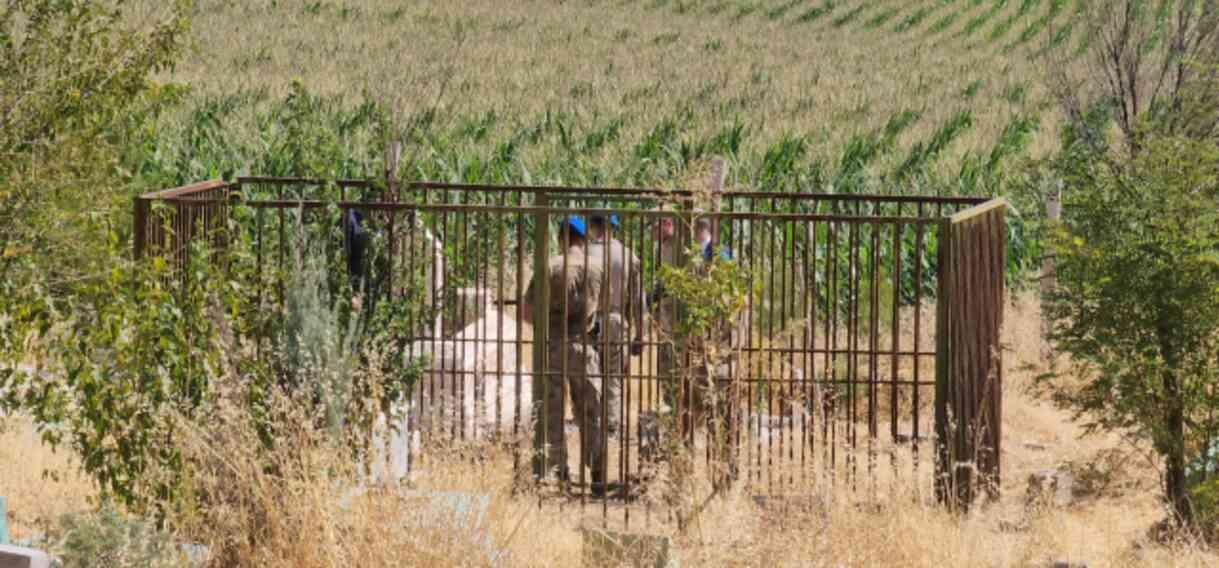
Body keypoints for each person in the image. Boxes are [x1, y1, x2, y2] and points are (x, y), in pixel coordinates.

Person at [521, 216, 608, 494]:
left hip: (555, 346)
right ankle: (597, 473)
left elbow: (526, 311)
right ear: (582, 239)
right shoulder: (597, 268)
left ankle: (560, 474)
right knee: (591, 412)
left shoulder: (549, 266)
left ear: (561, 237)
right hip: (585, 345)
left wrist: (548, 323)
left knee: (553, 411)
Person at [585, 212, 645, 437]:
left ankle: (591, 420)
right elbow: (639, 300)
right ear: (613, 228)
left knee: (589, 372)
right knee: (613, 374)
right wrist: (641, 333)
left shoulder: (585, 253)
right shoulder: (628, 256)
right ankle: (611, 425)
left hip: (588, 320)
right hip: (616, 319)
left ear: (593, 226)